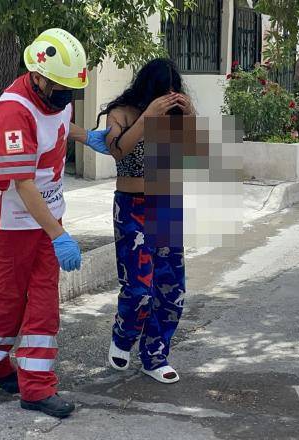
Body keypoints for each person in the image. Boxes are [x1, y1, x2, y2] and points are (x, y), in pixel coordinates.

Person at [0, 28, 109, 418]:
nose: (67, 95)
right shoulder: (12, 112)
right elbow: (23, 184)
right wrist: (59, 234)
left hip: (45, 219)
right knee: (8, 301)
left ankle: (35, 387)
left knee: (45, 301)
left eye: (71, 89)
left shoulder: (55, 97)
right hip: (5, 221)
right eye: (61, 88)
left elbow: (59, 124)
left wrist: (86, 136)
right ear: (38, 76)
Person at [97, 58, 194, 384]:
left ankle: (155, 356)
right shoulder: (121, 113)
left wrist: (188, 116)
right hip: (132, 206)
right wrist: (148, 117)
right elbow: (117, 150)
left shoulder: (174, 115)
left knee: (171, 289)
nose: (167, 99)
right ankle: (123, 335)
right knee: (139, 288)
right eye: (161, 93)